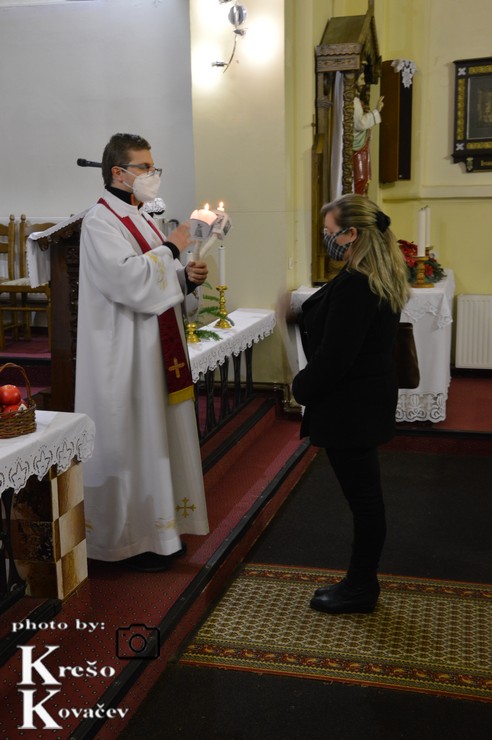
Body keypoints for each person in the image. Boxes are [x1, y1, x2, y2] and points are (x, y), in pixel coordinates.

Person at [75, 133, 209, 572]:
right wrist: (173, 246)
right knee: (130, 439)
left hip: (151, 346)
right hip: (122, 353)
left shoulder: (139, 216)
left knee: (155, 439)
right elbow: (128, 280)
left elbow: (159, 278)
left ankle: (160, 534)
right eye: (145, 167)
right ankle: (125, 543)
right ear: (118, 172)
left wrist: (187, 278)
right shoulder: (101, 221)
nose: (153, 174)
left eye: (154, 167)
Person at [292, 194, 410, 614]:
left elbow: (335, 357)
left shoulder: (358, 284)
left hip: (350, 407)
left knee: (365, 501)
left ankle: (361, 587)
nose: (326, 238)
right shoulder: (376, 273)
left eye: (330, 232)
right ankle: (361, 582)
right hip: (364, 401)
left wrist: (300, 388)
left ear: (351, 233)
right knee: (366, 498)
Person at [353, 67, 384, 195]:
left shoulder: (356, 100)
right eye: (361, 79)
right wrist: (376, 111)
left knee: (363, 179)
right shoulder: (354, 101)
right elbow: (360, 124)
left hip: (361, 146)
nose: (364, 83)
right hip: (357, 148)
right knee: (360, 178)